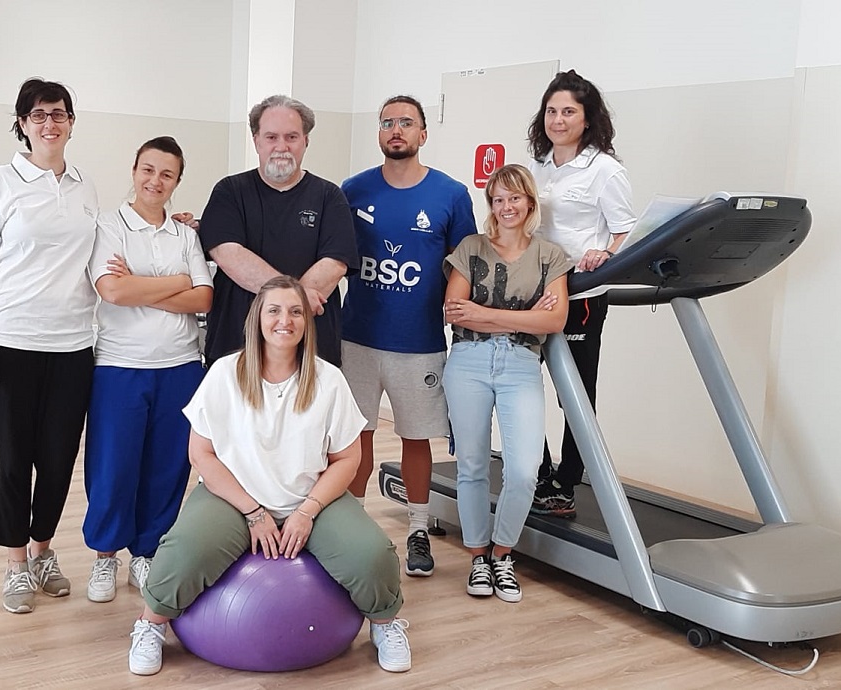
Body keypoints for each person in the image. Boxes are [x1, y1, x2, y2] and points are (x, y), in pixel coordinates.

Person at [126, 275, 411, 676]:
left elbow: (348, 459)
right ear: (257, 318)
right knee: (182, 552)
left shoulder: (328, 379)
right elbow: (201, 454)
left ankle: (385, 624)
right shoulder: (225, 373)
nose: (285, 320)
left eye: (295, 311)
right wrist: (253, 512)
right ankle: (150, 625)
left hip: (311, 497)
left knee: (373, 554)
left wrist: (308, 510)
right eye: (274, 310)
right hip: (233, 497)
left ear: (307, 322)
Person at [0, 78, 98, 613]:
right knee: (16, 456)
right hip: (12, 341)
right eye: (38, 114)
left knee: (60, 456)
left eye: (59, 113)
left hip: (73, 345)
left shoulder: (87, 187)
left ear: (71, 121)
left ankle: (44, 549)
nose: (50, 123)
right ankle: (16, 562)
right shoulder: (0, 183)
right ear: (22, 123)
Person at [340, 95, 476, 577]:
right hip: (355, 337)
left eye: (406, 123)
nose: (396, 130)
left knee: (417, 439)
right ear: (379, 132)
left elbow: (465, 264)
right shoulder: (352, 190)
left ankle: (418, 530)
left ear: (422, 134)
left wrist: (460, 314)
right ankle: (352, 528)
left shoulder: (451, 194)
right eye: (387, 123)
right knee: (357, 434)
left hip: (419, 342)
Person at [82, 136, 213, 604]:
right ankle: (104, 555)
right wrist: (176, 281)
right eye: (148, 170)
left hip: (180, 366)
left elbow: (204, 297)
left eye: (167, 174)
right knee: (113, 465)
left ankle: (147, 552)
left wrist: (142, 284)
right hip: (120, 365)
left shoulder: (186, 234)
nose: (155, 181)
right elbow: (112, 292)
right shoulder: (108, 226)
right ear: (134, 171)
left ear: (177, 181)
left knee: (166, 466)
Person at [443, 164, 570, 602]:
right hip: (468, 362)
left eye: (514, 198)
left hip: (520, 364)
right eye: (498, 199)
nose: (506, 207)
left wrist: (487, 315)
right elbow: (454, 310)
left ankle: (503, 554)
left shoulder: (550, 255)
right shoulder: (471, 247)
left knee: (523, 470)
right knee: (473, 467)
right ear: (491, 205)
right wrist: (524, 315)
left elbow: (555, 319)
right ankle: (480, 558)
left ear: (529, 202)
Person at [526, 70, 637, 518]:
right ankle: (538, 470)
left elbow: (626, 229)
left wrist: (603, 253)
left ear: (587, 119)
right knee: (521, 383)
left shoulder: (605, 170)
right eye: (552, 111)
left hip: (581, 293)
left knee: (573, 391)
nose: (558, 119)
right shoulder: (538, 165)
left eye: (568, 111)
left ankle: (567, 481)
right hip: (533, 291)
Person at [199, 94, 357, 367]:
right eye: (271, 137)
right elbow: (229, 254)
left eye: (292, 137)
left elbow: (335, 263)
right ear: (256, 140)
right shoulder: (229, 192)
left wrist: (285, 303)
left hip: (310, 349)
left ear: (306, 141)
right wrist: (296, 299)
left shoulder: (329, 196)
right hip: (236, 345)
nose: (281, 146)